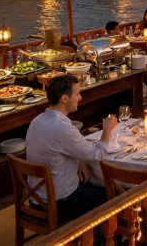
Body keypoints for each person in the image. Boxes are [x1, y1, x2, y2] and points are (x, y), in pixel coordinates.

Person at [24, 75, 117, 222]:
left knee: (88, 181)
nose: (80, 98)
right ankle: (100, 239)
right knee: (114, 192)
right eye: (77, 94)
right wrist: (107, 130)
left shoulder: (36, 121)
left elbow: (54, 152)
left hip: (36, 200)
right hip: (62, 205)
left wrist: (80, 161)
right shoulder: (64, 129)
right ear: (65, 99)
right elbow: (97, 156)